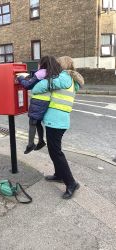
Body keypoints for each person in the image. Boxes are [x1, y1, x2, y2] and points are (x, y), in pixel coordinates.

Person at [31, 56, 84, 199]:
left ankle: (71, 183)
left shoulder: (63, 78)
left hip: (56, 122)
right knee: (54, 150)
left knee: (56, 153)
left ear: (61, 66)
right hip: (59, 121)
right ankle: (59, 175)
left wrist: (36, 81)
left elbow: (37, 88)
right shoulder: (70, 80)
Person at [17, 56, 63, 154]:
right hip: (47, 101)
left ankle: (30, 144)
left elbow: (28, 85)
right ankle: (41, 141)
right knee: (37, 122)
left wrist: (20, 78)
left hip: (39, 101)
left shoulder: (41, 73)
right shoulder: (53, 73)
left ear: (42, 64)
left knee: (32, 121)